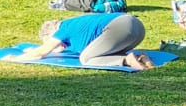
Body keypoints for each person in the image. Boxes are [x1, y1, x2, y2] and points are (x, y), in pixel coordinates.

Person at [20, 11, 156, 70]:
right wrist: (33, 49)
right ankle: (140, 58)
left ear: (52, 33)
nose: (56, 48)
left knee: (86, 58)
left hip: (121, 27)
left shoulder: (63, 28)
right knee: (98, 53)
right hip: (137, 28)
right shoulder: (73, 25)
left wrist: (16, 58)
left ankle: (127, 60)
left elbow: (41, 53)